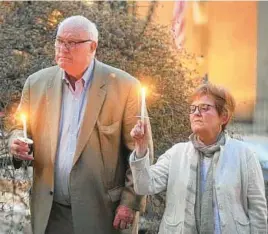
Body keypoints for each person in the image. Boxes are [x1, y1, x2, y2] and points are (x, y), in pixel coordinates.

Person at [9, 15, 153, 234]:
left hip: (103, 213)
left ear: (92, 47)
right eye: (59, 41)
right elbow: (19, 127)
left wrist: (130, 203)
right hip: (51, 213)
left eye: (72, 43)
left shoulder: (125, 87)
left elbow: (140, 151)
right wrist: (16, 142)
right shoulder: (36, 83)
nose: (63, 48)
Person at [129, 83, 267, 234]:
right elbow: (144, 185)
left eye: (204, 108)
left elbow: (258, 211)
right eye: (192, 109)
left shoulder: (244, 155)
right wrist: (141, 148)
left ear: (224, 116)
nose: (196, 113)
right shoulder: (176, 153)